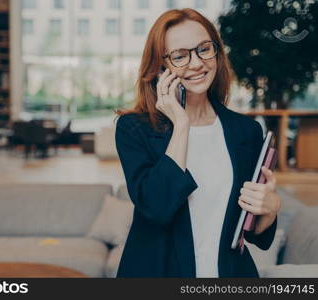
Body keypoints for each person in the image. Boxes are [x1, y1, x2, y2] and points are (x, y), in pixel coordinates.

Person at [114, 8, 281, 277]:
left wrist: (270, 209)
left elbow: (253, 235)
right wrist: (181, 124)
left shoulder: (245, 131)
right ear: (161, 67)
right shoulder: (134, 129)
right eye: (180, 56)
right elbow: (155, 209)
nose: (196, 63)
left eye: (204, 48)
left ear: (216, 51)